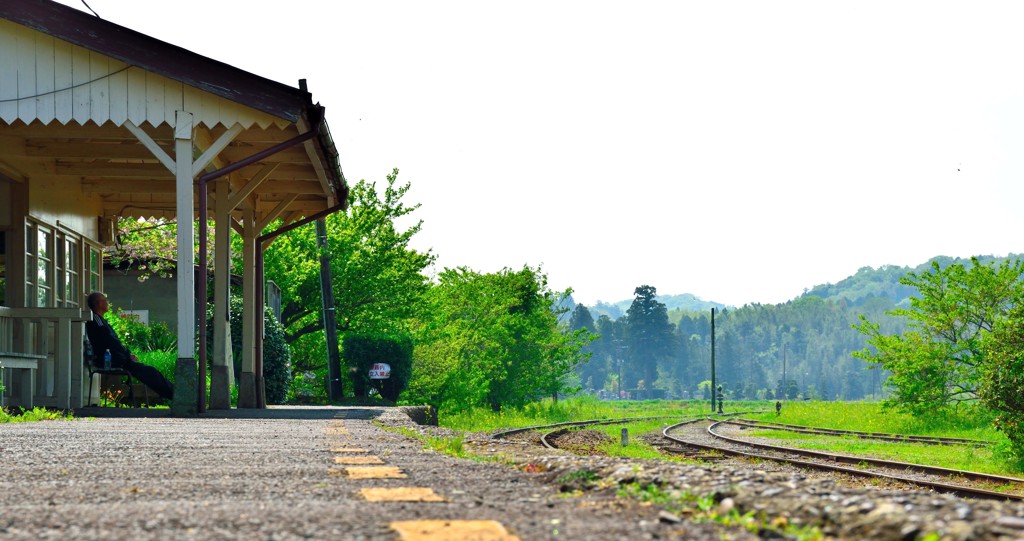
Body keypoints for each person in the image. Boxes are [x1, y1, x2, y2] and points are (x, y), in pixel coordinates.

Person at [85, 291, 174, 402]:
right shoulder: (96, 321)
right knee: (150, 372)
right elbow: (110, 342)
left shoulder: (101, 321)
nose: (107, 303)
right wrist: (127, 355)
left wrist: (127, 355)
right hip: (111, 360)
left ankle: (173, 393)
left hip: (117, 358)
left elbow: (113, 343)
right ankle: (174, 394)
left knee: (150, 372)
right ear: (99, 304)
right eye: (105, 300)